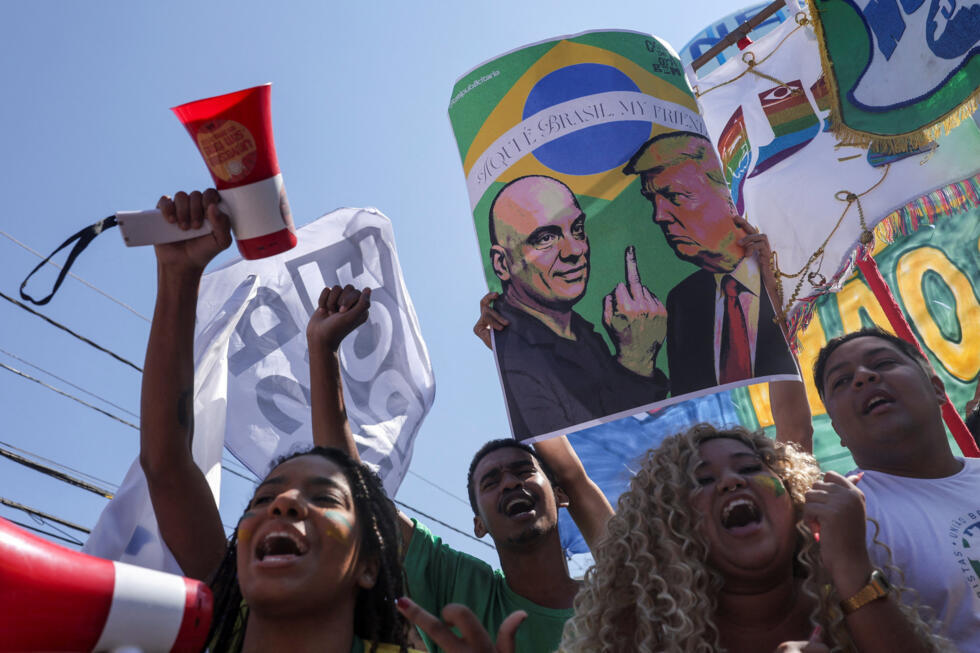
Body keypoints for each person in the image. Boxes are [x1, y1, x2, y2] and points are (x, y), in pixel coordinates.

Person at [139, 189, 415, 652]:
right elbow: (166, 465)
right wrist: (178, 274)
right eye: (263, 498)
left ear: (369, 565)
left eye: (325, 498)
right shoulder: (226, 620)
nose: (282, 503)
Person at [309, 284, 613, 653]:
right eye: (491, 481)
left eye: (523, 471)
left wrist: (512, 359)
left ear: (560, 495)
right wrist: (323, 350)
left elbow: (571, 475)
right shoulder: (462, 591)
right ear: (478, 525)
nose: (510, 484)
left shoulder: (622, 592)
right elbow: (355, 496)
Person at [559, 423, 950, 652]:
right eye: (703, 480)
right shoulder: (640, 636)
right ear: (669, 529)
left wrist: (852, 569)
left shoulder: (852, 600)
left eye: (748, 468)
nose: (731, 481)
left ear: (795, 499)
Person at [814, 326, 980, 650]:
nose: (862, 377)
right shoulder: (845, 518)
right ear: (837, 430)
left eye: (883, 363)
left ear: (937, 389)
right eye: (842, 381)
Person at [486, 174, 668, 438]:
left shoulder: (581, 333)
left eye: (578, 229)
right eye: (546, 238)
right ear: (502, 263)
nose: (575, 250)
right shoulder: (514, 351)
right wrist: (636, 360)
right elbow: (603, 447)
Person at [623, 132, 798, 397]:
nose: (659, 216)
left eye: (675, 196)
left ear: (729, 196)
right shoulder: (683, 301)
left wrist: (773, 292)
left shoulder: (791, 271)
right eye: (653, 200)